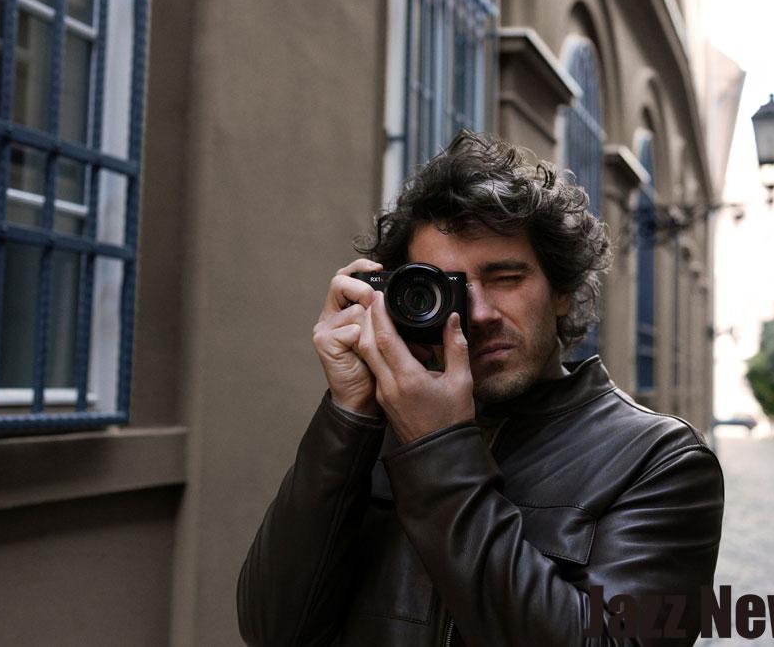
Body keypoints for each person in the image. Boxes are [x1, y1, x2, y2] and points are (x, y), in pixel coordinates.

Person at [237, 131, 724, 646]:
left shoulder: (659, 461)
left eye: (506, 278)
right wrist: (348, 413)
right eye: (445, 289)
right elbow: (273, 630)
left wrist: (437, 448)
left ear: (560, 289)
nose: (480, 313)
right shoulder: (376, 428)